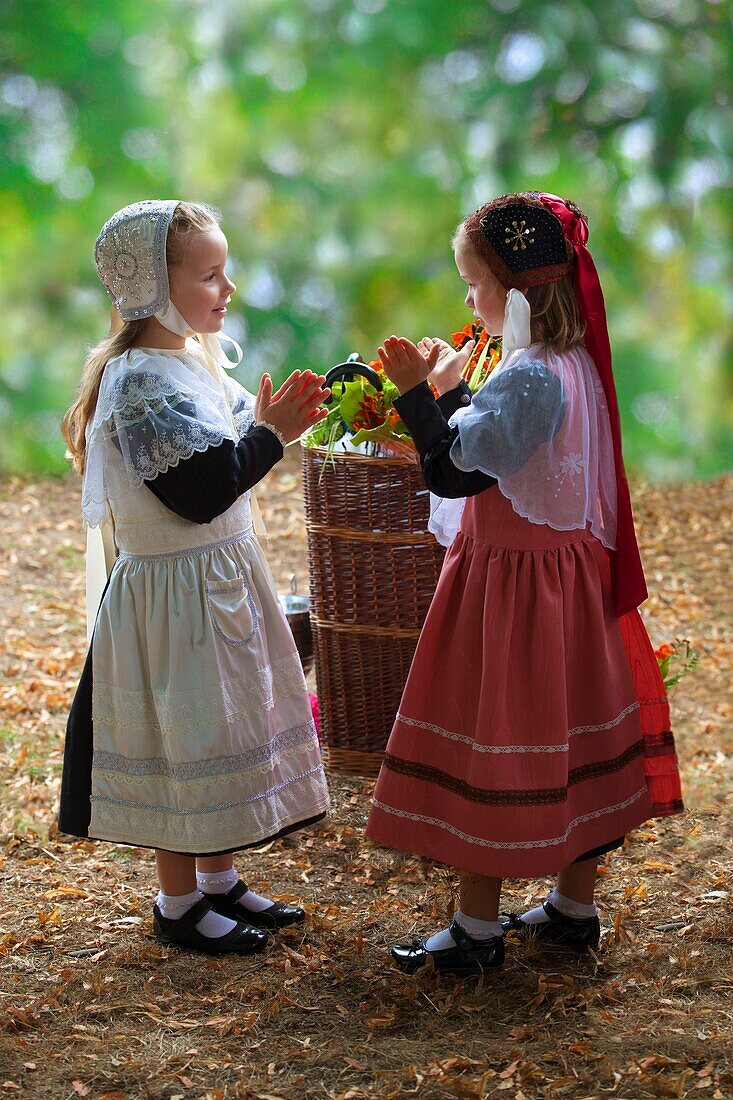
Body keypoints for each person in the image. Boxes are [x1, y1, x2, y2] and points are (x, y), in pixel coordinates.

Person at [366, 192, 683, 975]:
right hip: (567, 588)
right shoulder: (571, 366)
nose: (468, 301)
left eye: (473, 284)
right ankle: (573, 909)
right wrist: (449, 392)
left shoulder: (531, 377)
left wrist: (414, 390)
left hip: (514, 594)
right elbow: (499, 445)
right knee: (576, 740)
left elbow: (451, 470)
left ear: (510, 292)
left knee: (498, 742)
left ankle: (475, 931)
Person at [59, 199, 331, 956]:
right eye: (209, 275)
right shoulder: (141, 382)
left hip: (212, 584)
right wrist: (275, 431)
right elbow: (202, 490)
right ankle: (177, 902)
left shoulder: (186, 363)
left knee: (218, 726)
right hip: (172, 598)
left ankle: (217, 879)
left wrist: (294, 415)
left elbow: (237, 440)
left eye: (225, 272)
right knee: (182, 745)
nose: (227, 289)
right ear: (152, 284)